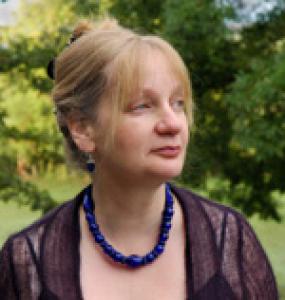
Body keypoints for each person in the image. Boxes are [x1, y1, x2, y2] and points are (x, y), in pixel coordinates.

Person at [0, 18, 278, 300]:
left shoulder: (230, 243)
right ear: (82, 128)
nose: (173, 124)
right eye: (143, 106)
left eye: (178, 103)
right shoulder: (27, 265)